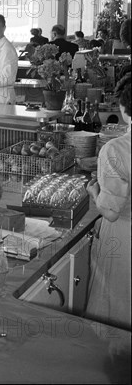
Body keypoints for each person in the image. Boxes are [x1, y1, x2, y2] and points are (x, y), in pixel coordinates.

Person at [85, 72, 131, 331]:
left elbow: (111, 211)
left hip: (123, 238)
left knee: (116, 309)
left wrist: (94, 192)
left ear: (123, 109)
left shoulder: (115, 149)